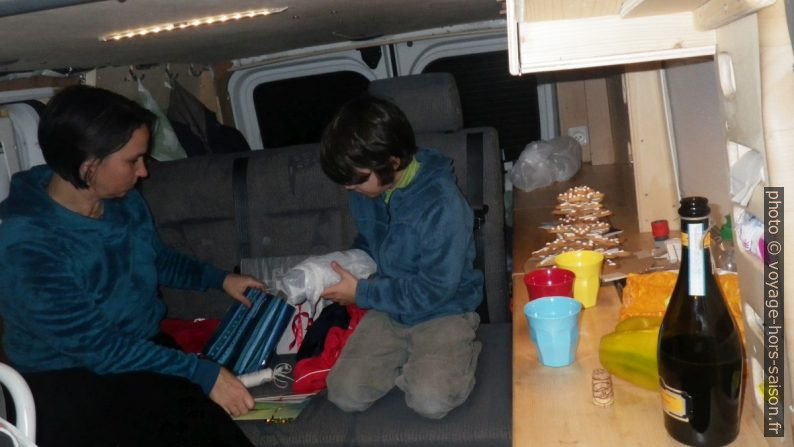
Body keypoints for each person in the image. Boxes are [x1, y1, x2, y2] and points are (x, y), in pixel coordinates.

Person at [0, 85, 260, 447]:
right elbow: (98, 348)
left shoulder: (122, 201)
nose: (143, 172)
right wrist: (202, 372)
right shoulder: (26, 244)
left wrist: (220, 280)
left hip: (142, 352)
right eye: (132, 161)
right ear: (88, 166)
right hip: (70, 376)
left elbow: (153, 259)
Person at [319, 95, 484, 419]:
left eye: (358, 179)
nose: (351, 188)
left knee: (431, 402)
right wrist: (344, 267)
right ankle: (415, 360)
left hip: (444, 309)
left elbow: (434, 290)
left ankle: (458, 348)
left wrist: (362, 293)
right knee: (343, 394)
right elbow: (369, 242)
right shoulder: (368, 192)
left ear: (393, 161)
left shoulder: (443, 205)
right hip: (390, 307)